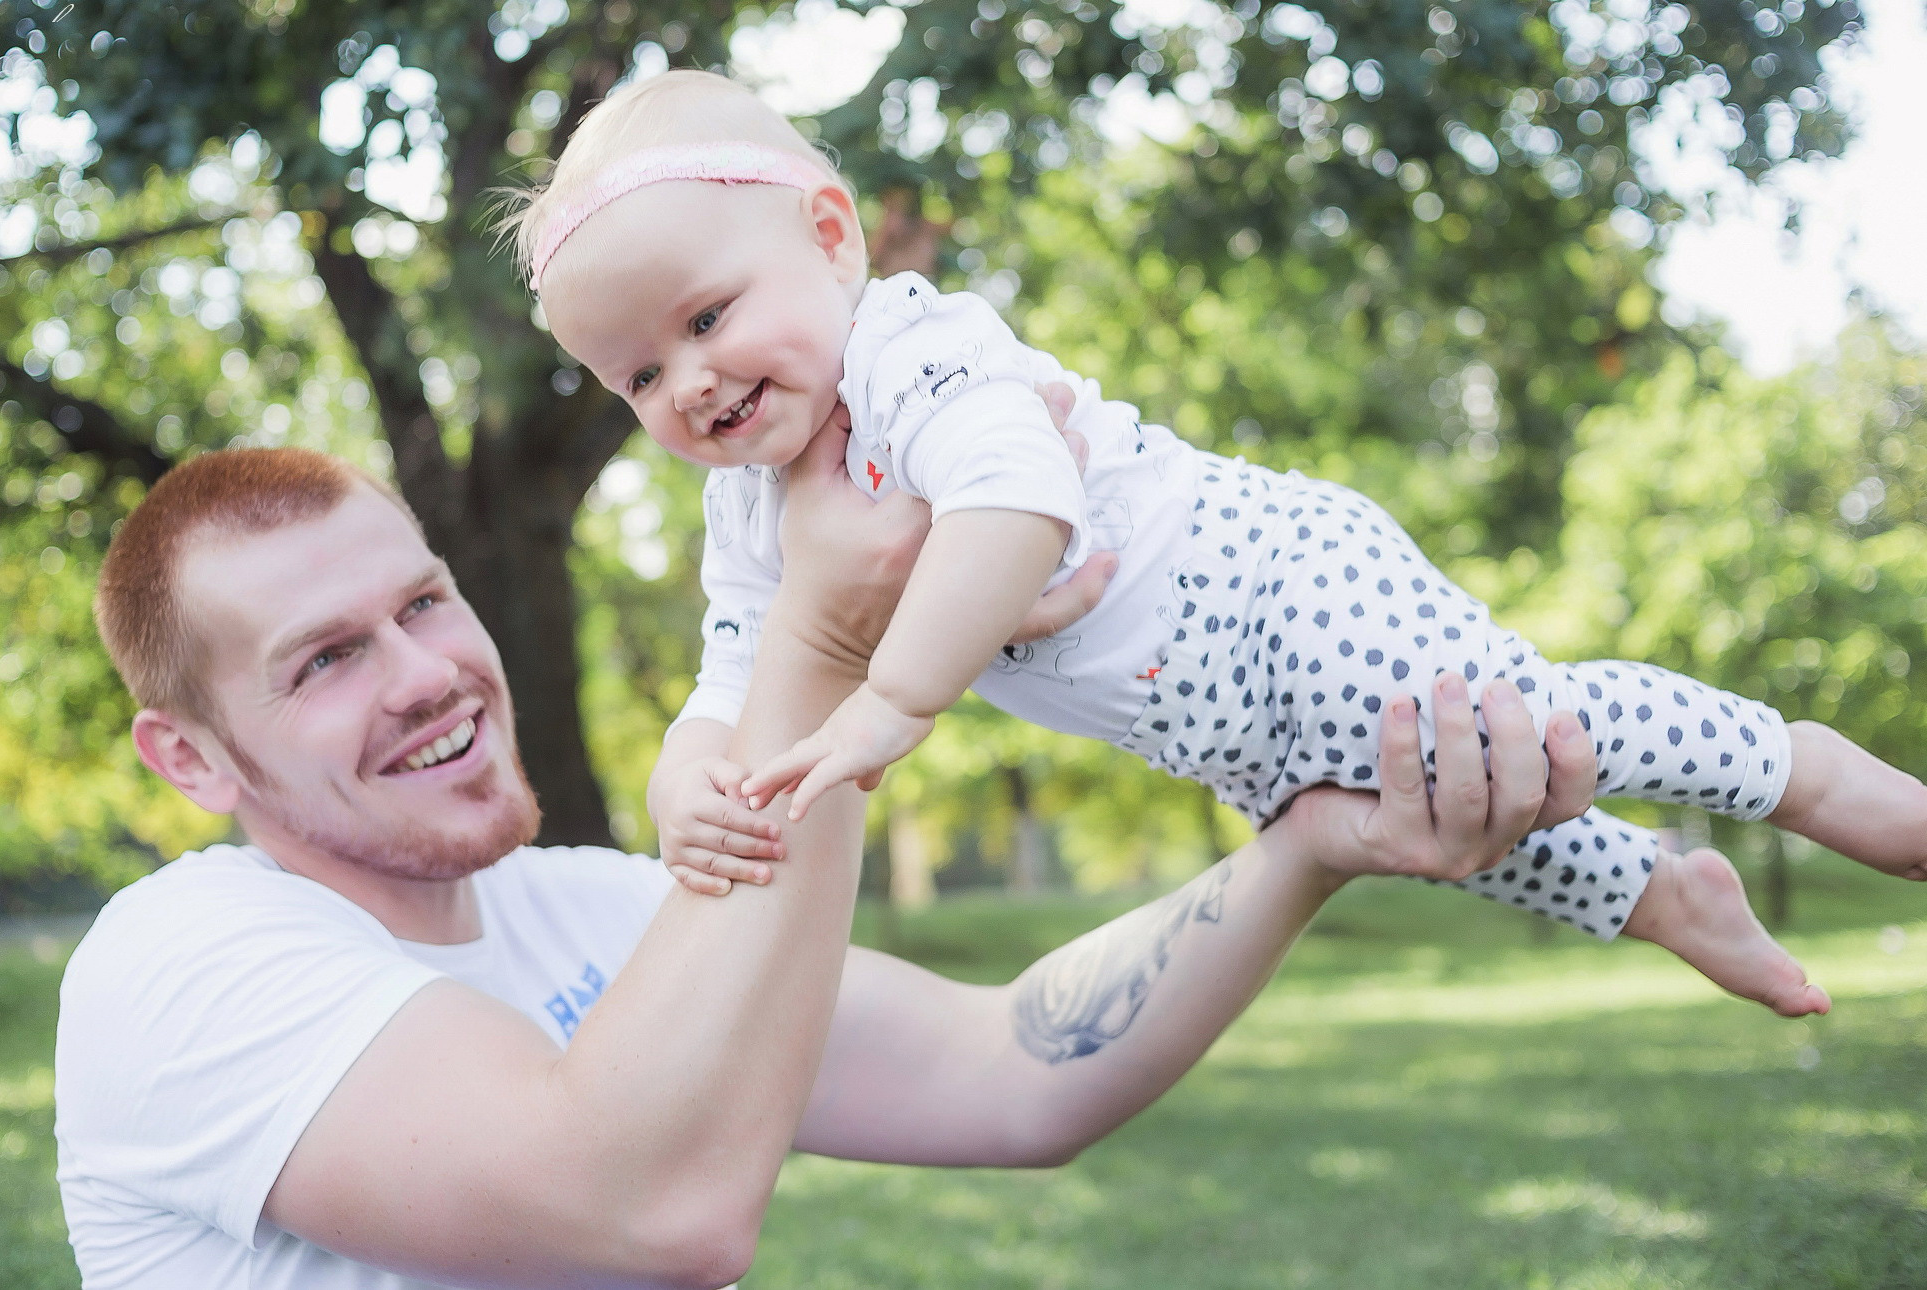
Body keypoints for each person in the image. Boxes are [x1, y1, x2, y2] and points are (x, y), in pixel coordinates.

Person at [516, 69, 1927, 1018]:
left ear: (831, 238)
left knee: (1503, 722)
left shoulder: (910, 345)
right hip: (1209, 725)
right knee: (1439, 814)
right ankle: (1657, 890)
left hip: (1270, 589)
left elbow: (1015, 502)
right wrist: (689, 780)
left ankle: (1796, 766)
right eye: (637, 376)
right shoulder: (748, 508)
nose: (686, 383)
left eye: (703, 319)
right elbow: (729, 672)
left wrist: (892, 700)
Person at [57, 423, 1589, 1288]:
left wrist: (1307, 843)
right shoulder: (178, 963)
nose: (425, 673)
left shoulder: (597, 905)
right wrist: (832, 638)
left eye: (424, 603)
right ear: (189, 756)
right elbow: (646, 1210)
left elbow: (1011, 1069)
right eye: (322, 660)